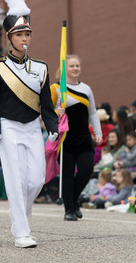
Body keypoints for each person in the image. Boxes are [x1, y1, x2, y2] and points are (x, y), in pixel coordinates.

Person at [0, 0, 58, 248]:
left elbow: (46, 103)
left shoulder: (41, 68)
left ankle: (20, 219)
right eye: (19, 34)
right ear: (9, 38)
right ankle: (21, 233)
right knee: (16, 180)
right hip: (8, 128)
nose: (25, 38)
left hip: (32, 127)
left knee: (36, 179)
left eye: (28, 34)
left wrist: (52, 125)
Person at [51, 54, 102, 221]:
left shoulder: (86, 88)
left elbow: (93, 112)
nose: (75, 69)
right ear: (64, 69)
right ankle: (69, 210)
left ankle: (73, 199)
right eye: (71, 66)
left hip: (84, 136)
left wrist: (98, 133)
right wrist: (56, 112)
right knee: (66, 174)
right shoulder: (57, 88)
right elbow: (43, 112)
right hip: (65, 138)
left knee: (87, 170)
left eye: (77, 66)